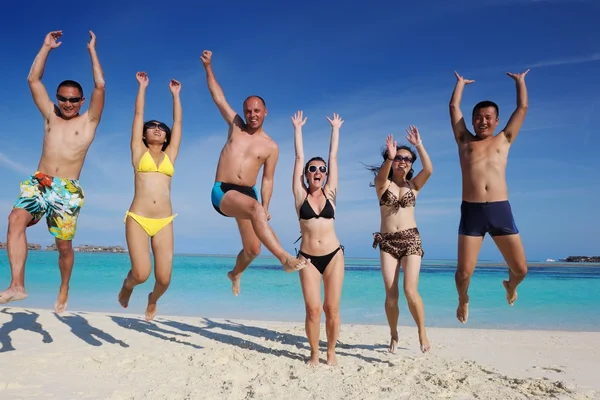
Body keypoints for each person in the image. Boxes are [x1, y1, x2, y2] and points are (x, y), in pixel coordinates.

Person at [0, 30, 105, 313]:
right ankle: (17, 285)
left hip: (68, 190)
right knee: (14, 219)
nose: (67, 104)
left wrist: (92, 51)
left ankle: (64, 285)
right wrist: (45, 47)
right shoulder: (50, 115)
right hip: (40, 181)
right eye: (63, 98)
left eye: (73, 100)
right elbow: (33, 80)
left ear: (81, 101)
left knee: (63, 248)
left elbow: (100, 85)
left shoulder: (89, 121)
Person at [200, 50, 307, 296]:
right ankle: (285, 259)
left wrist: (265, 205)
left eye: (257, 110)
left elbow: (268, 179)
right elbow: (218, 97)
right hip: (223, 191)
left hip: (249, 194)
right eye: (248, 110)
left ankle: (235, 274)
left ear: (265, 112)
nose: (252, 114)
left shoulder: (271, 146)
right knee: (255, 210)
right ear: (244, 112)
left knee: (253, 250)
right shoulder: (235, 125)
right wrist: (208, 66)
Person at [449, 70, 530, 324]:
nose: (482, 122)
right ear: (472, 121)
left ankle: (510, 286)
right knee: (463, 274)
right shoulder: (464, 141)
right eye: (478, 118)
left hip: (499, 210)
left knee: (521, 270)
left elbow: (523, 107)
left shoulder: (504, 139)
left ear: (496, 121)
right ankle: (463, 299)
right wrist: (460, 84)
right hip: (472, 212)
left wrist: (520, 82)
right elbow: (453, 106)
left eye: (488, 118)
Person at [118, 72, 182, 322]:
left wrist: (176, 96)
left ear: (165, 136)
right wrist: (142, 87)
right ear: (144, 135)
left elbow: (178, 124)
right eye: (151, 127)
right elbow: (137, 116)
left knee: (164, 279)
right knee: (142, 273)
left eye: (160, 128)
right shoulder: (137, 151)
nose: (156, 129)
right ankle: (127, 285)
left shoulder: (171, 155)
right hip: (139, 218)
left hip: (165, 220)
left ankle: (152, 300)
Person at [368, 127, 433, 354]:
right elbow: (380, 176)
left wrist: (419, 144)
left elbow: (429, 169)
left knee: (410, 291)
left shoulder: (413, 186)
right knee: (391, 295)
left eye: (407, 159)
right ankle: (394, 333)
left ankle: (421, 332)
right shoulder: (382, 184)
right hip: (387, 242)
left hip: (411, 240)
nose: (402, 161)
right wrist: (389, 156)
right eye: (398, 158)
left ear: (411, 163)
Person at [291, 110, 345, 366]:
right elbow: (298, 156)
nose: (318, 172)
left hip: (334, 255)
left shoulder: (331, 193)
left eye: (321, 170)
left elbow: (333, 156)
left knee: (331, 309)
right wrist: (298, 129)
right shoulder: (300, 196)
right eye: (312, 169)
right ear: (306, 174)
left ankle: (331, 351)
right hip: (308, 258)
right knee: (313, 310)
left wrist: (335, 130)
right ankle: (314, 352)